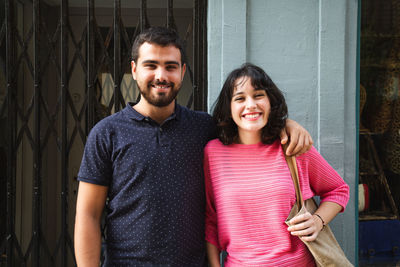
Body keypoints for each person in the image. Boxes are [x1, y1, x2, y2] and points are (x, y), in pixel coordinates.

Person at [74, 27, 313, 266]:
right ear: (134, 70)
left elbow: (249, 127)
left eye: (170, 66)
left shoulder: (204, 128)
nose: (161, 75)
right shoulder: (107, 133)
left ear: (182, 71)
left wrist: (286, 125)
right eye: (151, 65)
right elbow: (88, 215)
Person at [204, 63, 350, 266]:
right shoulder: (213, 153)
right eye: (240, 98)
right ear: (229, 108)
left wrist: (317, 221)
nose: (251, 105)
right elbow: (211, 220)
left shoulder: (292, 147)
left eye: (258, 95)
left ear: (270, 101)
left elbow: (339, 190)